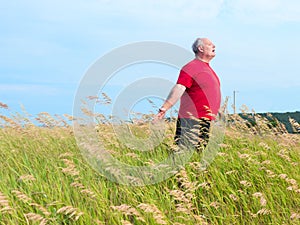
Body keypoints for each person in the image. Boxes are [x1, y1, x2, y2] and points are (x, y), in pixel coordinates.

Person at [155, 37, 221, 152]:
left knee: (197, 154)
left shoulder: (207, 69)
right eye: (210, 44)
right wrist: (164, 108)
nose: (214, 46)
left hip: (204, 120)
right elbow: (180, 87)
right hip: (191, 119)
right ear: (200, 48)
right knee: (183, 153)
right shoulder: (191, 67)